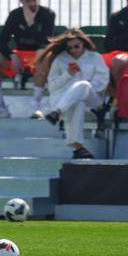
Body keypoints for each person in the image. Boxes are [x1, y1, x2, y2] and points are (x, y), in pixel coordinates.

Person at [0, 0, 56, 119]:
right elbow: (1, 42)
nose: (32, 3)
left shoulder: (48, 14)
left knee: (43, 54)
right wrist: (12, 55)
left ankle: (36, 105)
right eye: (28, 0)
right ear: (21, 1)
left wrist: (31, 23)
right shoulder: (15, 15)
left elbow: (45, 41)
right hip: (19, 56)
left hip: (38, 57)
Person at [40, 28, 109, 159]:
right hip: (63, 98)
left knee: (83, 85)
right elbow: (52, 86)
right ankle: (78, 148)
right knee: (78, 104)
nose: (73, 50)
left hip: (91, 97)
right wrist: (67, 74)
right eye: (70, 48)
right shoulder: (60, 59)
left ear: (83, 43)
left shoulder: (95, 57)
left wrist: (81, 89)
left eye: (76, 46)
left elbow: (102, 80)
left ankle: (56, 113)